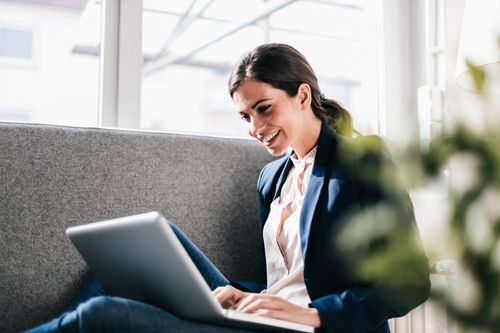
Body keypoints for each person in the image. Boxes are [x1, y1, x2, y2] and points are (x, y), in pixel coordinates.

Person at [26, 43, 430, 333]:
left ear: (302, 95)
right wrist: (237, 294)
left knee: (104, 315)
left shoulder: (364, 159)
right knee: (124, 254)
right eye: (244, 116)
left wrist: (311, 314)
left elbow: (410, 283)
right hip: (266, 318)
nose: (254, 128)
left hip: (314, 327)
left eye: (264, 109)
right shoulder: (271, 178)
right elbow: (282, 281)